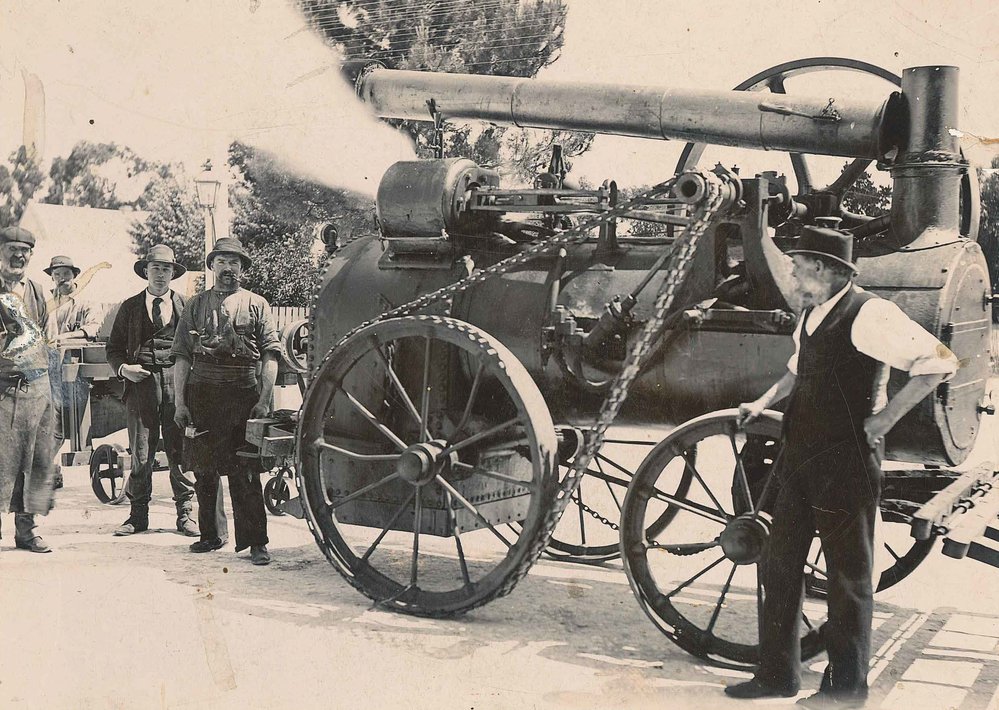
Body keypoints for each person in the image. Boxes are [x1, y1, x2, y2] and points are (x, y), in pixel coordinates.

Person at [725, 226, 959, 708]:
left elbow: (939, 362)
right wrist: (763, 402)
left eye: (797, 266)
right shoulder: (812, 312)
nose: (791, 275)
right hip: (798, 455)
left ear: (824, 268)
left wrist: (885, 420)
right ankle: (777, 676)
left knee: (847, 577)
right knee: (778, 562)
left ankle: (845, 693)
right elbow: (799, 367)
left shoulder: (870, 313)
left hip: (845, 462)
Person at [172, 237, 279, 565]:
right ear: (212, 265)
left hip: (243, 395)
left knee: (246, 471)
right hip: (203, 394)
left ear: (242, 268)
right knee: (204, 470)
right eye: (221, 261)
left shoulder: (257, 304)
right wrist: (180, 403)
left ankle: (256, 542)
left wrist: (264, 401)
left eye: (234, 262)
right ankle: (211, 535)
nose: (228, 267)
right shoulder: (195, 305)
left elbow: (271, 356)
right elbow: (181, 357)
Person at [105, 245, 199, 537]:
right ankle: (138, 515)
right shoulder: (130, 307)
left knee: (179, 448)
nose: (160, 274)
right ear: (145, 271)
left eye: (166, 269)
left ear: (173, 273)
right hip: (141, 383)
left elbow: (196, 347)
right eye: (155, 268)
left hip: (177, 382)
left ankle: (185, 514)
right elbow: (113, 349)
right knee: (141, 450)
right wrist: (125, 369)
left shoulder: (186, 306)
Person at [0, 225, 56, 553]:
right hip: (1, 389)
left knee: (35, 460)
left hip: (35, 388)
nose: (19, 256)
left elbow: (47, 336)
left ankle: (27, 530)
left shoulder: (36, 291)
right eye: (12, 250)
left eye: (25, 251)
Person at [44, 255, 103, 486]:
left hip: (74, 366)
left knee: (57, 415)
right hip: (47, 367)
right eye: (57, 274)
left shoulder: (86, 300)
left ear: (75, 275)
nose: (61, 278)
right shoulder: (46, 303)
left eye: (66, 274)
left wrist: (65, 337)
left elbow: (93, 328)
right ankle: (48, 470)